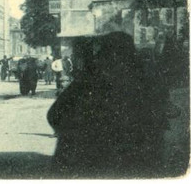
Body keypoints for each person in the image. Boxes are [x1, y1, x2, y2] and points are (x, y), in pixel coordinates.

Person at [47, 32, 165, 178]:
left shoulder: (90, 81)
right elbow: (160, 116)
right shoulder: (146, 82)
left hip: (89, 160)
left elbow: (54, 115)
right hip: (137, 162)